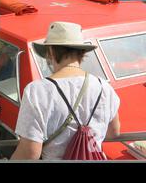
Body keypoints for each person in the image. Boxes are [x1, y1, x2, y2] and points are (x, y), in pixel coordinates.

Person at [11, 22, 121, 160]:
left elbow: (29, 153)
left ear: (50, 51)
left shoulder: (37, 91)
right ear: (82, 53)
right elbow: (113, 133)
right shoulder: (104, 86)